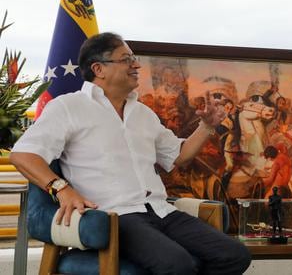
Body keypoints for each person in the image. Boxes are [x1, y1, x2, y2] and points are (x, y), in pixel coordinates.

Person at [10, 32, 251, 275]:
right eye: (126, 59)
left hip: (161, 210)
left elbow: (180, 156)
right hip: (116, 217)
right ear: (99, 68)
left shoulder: (143, 113)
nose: (136, 65)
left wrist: (207, 126)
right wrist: (61, 188)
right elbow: (23, 155)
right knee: (177, 264)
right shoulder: (68, 107)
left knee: (234, 256)